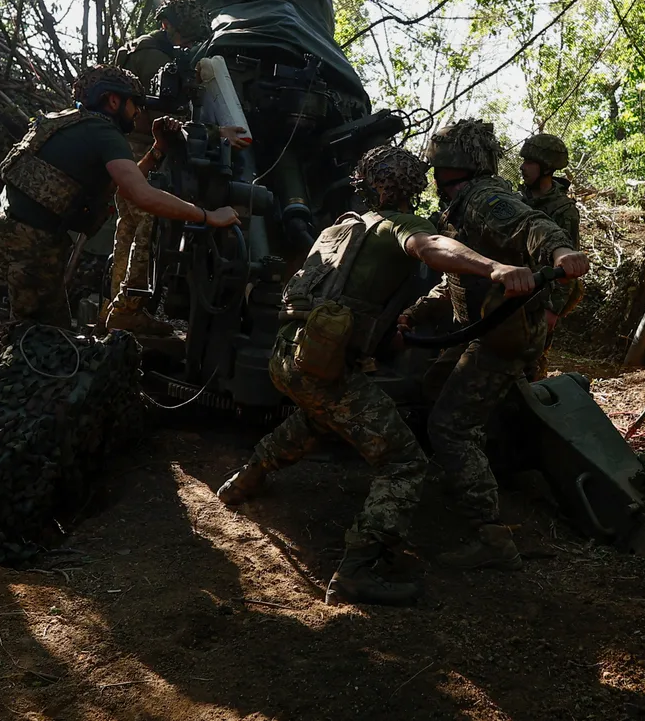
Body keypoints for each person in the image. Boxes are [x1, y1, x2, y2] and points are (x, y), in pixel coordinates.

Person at [215, 145, 536, 606]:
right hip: (322, 366)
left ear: (364, 186)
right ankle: (358, 571)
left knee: (322, 415)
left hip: (288, 354)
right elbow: (432, 248)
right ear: (415, 188)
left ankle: (246, 479)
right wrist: (494, 266)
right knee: (404, 462)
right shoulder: (398, 224)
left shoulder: (339, 226)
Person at [400, 119, 589, 572]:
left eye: (436, 165)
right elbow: (457, 279)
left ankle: (489, 535)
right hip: (479, 329)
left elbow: (531, 225)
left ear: (452, 165)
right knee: (436, 385)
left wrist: (561, 254)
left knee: (450, 426)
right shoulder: (461, 202)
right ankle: (469, 474)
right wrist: (417, 312)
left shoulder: (485, 198)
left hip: (503, 333)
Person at [0, 65, 240, 327]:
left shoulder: (75, 121)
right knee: (34, 335)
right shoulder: (104, 132)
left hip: (15, 228)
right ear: (113, 100)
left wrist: (158, 150)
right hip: (31, 239)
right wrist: (208, 216)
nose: (138, 113)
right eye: (135, 104)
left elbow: (124, 185)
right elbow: (142, 195)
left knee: (48, 327)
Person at [104, 0, 216, 335]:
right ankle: (129, 310)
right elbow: (164, 114)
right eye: (189, 36)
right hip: (143, 149)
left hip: (127, 149)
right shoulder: (157, 58)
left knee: (127, 230)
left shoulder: (141, 49)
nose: (190, 45)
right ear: (170, 26)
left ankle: (115, 309)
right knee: (145, 228)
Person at [519, 132, 582, 379]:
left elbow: (568, 266)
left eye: (529, 163)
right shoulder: (517, 200)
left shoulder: (564, 211)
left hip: (541, 297)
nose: (522, 168)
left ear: (546, 168)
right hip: (513, 291)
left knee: (531, 366)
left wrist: (553, 310)